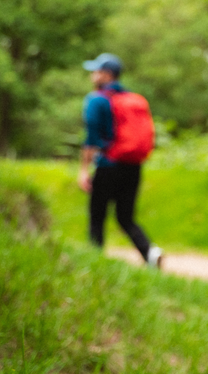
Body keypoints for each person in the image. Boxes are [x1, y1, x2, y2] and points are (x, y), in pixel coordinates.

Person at [78, 53, 162, 269]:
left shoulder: (97, 100)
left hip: (108, 165)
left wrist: (84, 170)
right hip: (133, 166)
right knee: (126, 217)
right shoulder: (134, 99)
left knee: (97, 216)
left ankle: (95, 263)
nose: (92, 75)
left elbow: (91, 139)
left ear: (107, 75)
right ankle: (150, 253)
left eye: (96, 71)